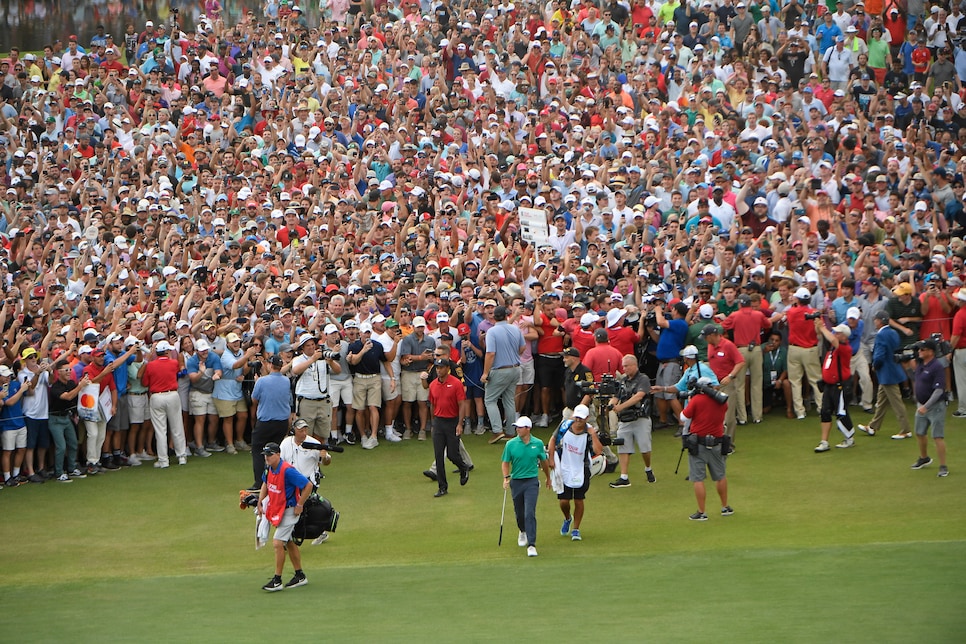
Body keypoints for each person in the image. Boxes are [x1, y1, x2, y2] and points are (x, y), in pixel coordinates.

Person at [257, 442, 314, 592]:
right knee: (288, 541)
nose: (267, 458)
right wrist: (260, 502)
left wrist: (300, 504)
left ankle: (277, 580)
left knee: (277, 543)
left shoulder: (287, 470)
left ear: (278, 455)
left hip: (289, 511)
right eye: (265, 455)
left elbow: (308, 486)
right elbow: (265, 483)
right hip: (279, 510)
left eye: (269, 455)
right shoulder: (269, 469)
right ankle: (300, 575)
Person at [546, 404, 604, 542]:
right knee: (564, 501)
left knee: (579, 499)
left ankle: (576, 529)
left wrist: (593, 434)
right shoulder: (565, 426)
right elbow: (553, 440)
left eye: (581, 418)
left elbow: (598, 451)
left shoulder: (589, 432)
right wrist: (551, 458)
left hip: (581, 468)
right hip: (564, 466)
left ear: (586, 418)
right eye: (577, 417)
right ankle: (567, 518)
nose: (578, 420)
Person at [680, 377, 733, 521]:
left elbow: (683, 417)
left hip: (699, 444)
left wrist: (691, 401)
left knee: (698, 479)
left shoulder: (697, 400)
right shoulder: (722, 402)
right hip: (717, 443)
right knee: (720, 476)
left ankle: (701, 512)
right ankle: (725, 506)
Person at [501, 416, 552, 557]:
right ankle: (522, 530)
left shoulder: (538, 443)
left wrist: (548, 477)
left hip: (531, 482)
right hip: (516, 482)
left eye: (520, 427)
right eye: (516, 427)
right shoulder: (510, 444)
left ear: (528, 428)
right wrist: (506, 478)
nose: (517, 429)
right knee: (519, 512)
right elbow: (505, 463)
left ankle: (531, 544)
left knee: (529, 512)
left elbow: (544, 462)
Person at [858, 311, 912, 439]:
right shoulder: (893, 332)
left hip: (887, 373)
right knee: (881, 402)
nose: (874, 322)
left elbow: (879, 354)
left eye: (875, 320)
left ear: (879, 321)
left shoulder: (881, 335)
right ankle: (872, 427)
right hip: (892, 370)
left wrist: (875, 365)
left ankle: (905, 430)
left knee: (897, 403)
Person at [720, 293, 772, 424]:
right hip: (756, 349)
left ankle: (742, 417)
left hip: (741, 350)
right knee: (756, 383)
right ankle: (757, 416)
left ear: (740, 304)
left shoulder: (735, 315)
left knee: (739, 385)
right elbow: (767, 325)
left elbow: (723, 327)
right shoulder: (758, 314)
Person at [280, 418, 332, 545]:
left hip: (308, 483)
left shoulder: (314, 443)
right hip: (290, 482)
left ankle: (317, 532)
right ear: (294, 431)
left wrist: (324, 457)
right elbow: (280, 462)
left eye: (305, 430)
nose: (304, 433)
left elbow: (326, 462)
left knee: (302, 509)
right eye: (300, 430)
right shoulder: (286, 443)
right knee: (292, 509)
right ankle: (290, 535)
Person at [425, 358, 471, 497]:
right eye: (437, 368)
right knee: (439, 456)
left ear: (447, 368)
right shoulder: (433, 385)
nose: (438, 370)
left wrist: (460, 424)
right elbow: (432, 404)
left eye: (441, 368)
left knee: (452, 454)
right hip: (439, 422)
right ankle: (442, 487)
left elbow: (462, 404)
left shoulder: (456, 384)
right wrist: (433, 422)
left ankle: (463, 468)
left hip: (452, 421)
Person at [609, 355, 655, 488]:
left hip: (640, 418)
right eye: (623, 366)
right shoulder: (623, 381)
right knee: (623, 446)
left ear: (634, 365)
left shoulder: (643, 379)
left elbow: (638, 396)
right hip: (625, 419)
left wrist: (620, 407)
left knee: (644, 448)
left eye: (626, 366)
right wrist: (611, 405)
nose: (624, 369)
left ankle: (648, 468)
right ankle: (624, 477)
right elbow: (616, 396)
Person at [140, 341, 188, 469]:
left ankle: (163, 460)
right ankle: (181, 456)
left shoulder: (150, 365)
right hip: (172, 395)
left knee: (160, 430)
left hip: (157, 396)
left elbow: (145, 383)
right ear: (167, 352)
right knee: (177, 426)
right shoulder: (173, 363)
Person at [250, 355, 294, 490]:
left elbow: (254, 400)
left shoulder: (262, 381)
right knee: (276, 451)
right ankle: (276, 480)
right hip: (281, 423)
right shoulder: (286, 381)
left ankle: (259, 483)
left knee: (258, 450)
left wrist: (257, 382)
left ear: (270, 365)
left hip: (265, 422)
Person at [482, 306, 526, 443]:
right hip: (515, 368)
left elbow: (490, 353)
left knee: (490, 400)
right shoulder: (515, 329)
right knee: (509, 400)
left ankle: (497, 430)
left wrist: (485, 373)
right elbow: (522, 347)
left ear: (494, 317)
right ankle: (511, 432)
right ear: (507, 315)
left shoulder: (492, 331)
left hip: (500, 369)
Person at [291, 331, 341, 442]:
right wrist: (313, 359)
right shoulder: (298, 359)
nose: (311, 347)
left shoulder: (322, 358)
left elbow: (338, 370)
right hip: (306, 401)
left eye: (313, 344)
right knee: (305, 434)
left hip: (323, 400)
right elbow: (295, 371)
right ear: (302, 348)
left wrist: (331, 361)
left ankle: (319, 456)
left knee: (322, 434)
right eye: (308, 345)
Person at [783, 287, 825, 420]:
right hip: (810, 349)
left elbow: (787, 316)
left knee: (795, 381)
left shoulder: (792, 312)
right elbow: (820, 330)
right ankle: (821, 407)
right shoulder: (814, 313)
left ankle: (800, 411)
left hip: (795, 349)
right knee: (816, 380)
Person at [814, 324, 856, 453]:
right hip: (829, 385)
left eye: (838, 333)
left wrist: (822, 328)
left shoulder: (846, 348)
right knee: (825, 412)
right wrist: (818, 324)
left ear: (844, 335)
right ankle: (824, 441)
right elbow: (822, 335)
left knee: (841, 412)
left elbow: (832, 339)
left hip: (840, 385)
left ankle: (849, 438)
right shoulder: (834, 347)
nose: (835, 334)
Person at [701, 325, 745, 445]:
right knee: (715, 414)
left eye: (705, 337)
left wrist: (730, 376)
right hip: (715, 385)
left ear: (711, 336)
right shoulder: (710, 346)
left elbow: (740, 362)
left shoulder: (728, 345)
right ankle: (717, 441)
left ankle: (729, 444)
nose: (705, 339)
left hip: (727, 384)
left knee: (729, 415)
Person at [910, 340, 949, 477]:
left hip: (935, 406)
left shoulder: (936, 367)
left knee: (937, 436)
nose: (920, 351)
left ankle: (943, 466)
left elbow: (938, 390)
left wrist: (926, 406)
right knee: (919, 432)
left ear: (931, 352)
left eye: (923, 349)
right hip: (921, 406)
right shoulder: (921, 364)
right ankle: (924, 457)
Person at [48, 362, 91, 482]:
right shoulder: (55, 387)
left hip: (66, 418)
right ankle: (59, 473)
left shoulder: (71, 383)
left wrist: (84, 384)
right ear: (59, 372)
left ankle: (71, 469)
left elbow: (77, 395)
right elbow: (68, 396)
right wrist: (80, 386)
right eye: (65, 370)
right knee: (61, 447)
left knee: (73, 443)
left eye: (69, 369)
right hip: (55, 419)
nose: (68, 372)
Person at [399, 316, 436, 440]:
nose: (420, 329)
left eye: (422, 326)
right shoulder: (408, 339)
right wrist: (421, 357)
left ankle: (422, 430)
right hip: (408, 373)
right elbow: (406, 356)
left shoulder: (430, 340)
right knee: (407, 402)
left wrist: (429, 358)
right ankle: (408, 429)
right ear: (413, 327)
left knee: (422, 402)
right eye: (418, 327)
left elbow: (432, 357)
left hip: (423, 372)